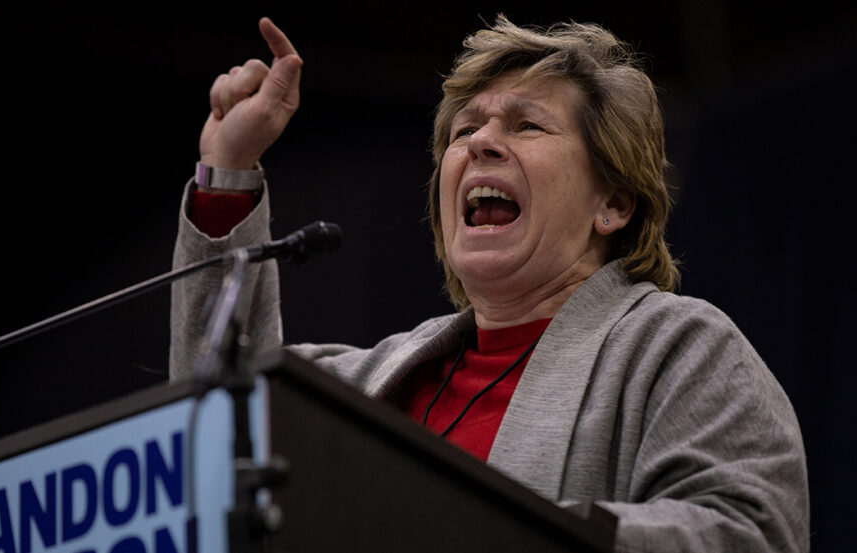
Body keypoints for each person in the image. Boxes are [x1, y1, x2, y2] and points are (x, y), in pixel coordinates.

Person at [170, 16, 809, 552]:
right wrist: (228, 167)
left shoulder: (681, 348)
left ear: (612, 203)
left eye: (526, 125)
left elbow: (747, 535)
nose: (481, 144)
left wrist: (503, 531)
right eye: (464, 131)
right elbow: (209, 443)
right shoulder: (362, 385)